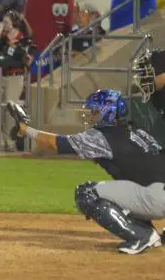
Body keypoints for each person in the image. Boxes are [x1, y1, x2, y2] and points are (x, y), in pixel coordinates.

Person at [11, 89, 165, 254]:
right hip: (156, 192)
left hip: (154, 197)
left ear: (109, 112)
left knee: (86, 193)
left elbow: (54, 144)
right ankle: (149, 235)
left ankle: (140, 235)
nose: (92, 115)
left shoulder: (102, 136)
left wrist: (26, 130)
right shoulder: (138, 131)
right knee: (123, 190)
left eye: (95, 111)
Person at [0, 10, 33, 151]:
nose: (4, 25)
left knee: (10, 111)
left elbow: (22, 57)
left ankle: (10, 141)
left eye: (6, 22)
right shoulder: (0, 38)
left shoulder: (23, 38)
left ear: (14, 23)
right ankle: (0, 142)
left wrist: (10, 51)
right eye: (3, 22)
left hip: (15, 77)